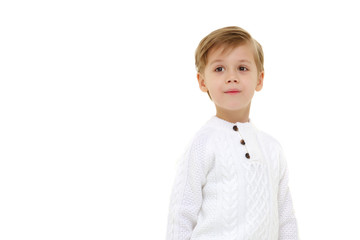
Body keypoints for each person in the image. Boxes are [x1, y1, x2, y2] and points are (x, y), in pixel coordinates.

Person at [165, 26, 299, 240]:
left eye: (242, 68)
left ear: (260, 79)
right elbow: (181, 214)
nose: (232, 77)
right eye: (219, 69)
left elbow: (285, 218)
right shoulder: (203, 143)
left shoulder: (273, 148)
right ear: (202, 81)